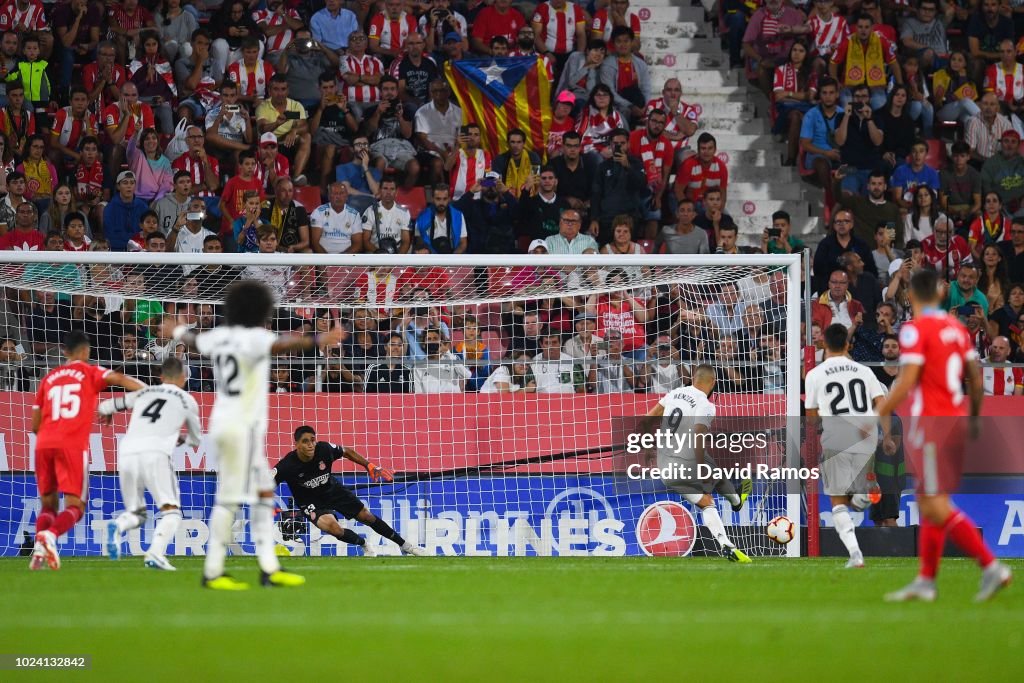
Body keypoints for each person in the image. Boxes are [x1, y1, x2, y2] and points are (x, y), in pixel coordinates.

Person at [166, 279, 344, 589]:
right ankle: (213, 572)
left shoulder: (219, 336)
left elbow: (195, 342)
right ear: (261, 310)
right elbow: (282, 345)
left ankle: (268, 566)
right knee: (229, 498)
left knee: (263, 491)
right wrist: (320, 339)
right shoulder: (256, 337)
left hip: (224, 423)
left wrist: (178, 331)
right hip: (242, 427)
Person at [877, 269, 1012, 602]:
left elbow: (907, 381)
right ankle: (926, 580)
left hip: (933, 423)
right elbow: (975, 381)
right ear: (940, 294)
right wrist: (976, 417)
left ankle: (991, 565)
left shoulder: (915, 329)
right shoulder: (957, 329)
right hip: (955, 418)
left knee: (936, 503)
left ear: (910, 296)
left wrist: (882, 411)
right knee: (928, 500)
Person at [29, 330, 145, 570]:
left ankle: (38, 554)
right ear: (86, 351)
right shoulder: (90, 372)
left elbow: (34, 425)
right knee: (76, 507)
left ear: (64, 352)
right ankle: (49, 536)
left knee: (48, 505)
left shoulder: (49, 378)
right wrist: (138, 395)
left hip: (43, 444)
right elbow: (124, 381)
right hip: (71, 444)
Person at [640, 364, 753, 563]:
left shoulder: (675, 393)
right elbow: (699, 436)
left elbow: (647, 420)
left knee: (706, 502)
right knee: (713, 471)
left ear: (693, 378)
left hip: (665, 466)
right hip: (687, 458)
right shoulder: (706, 404)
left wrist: (648, 449)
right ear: (713, 382)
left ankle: (726, 544)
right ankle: (736, 502)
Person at [98, 356, 201, 571]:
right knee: (171, 512)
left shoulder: (145, 392)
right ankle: (154, 553)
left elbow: (106, 405)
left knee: (136, 513)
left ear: (161, 377)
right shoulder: (187, 400)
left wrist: (107, 413)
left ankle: (117, 526)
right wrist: (182, 438)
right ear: (183, 378)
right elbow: (196, 440)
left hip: (127, 452)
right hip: (155, 453)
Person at [805, 323, 889, 569]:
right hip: (866, 436)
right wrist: (889, 434)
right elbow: (881, 402)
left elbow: (811, 415)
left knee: (838, 502)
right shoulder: (864, 371)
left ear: (823, 344)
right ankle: (864, 491)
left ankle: (855, 554)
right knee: (858, 493)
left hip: (836, 437)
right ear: (848, 344)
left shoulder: (816, 374)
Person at [273, 425, 426, 556]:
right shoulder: (287, 465)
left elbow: (346, 451)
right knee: (334, 528)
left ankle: (405, 546)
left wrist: (369, 465)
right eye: (305, 441)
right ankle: (364, 544)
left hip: (332, 490)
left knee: (367, 516)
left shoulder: (324, 449)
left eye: (312, 440)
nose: (310, 445)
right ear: (296, 444)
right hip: (310, 501)